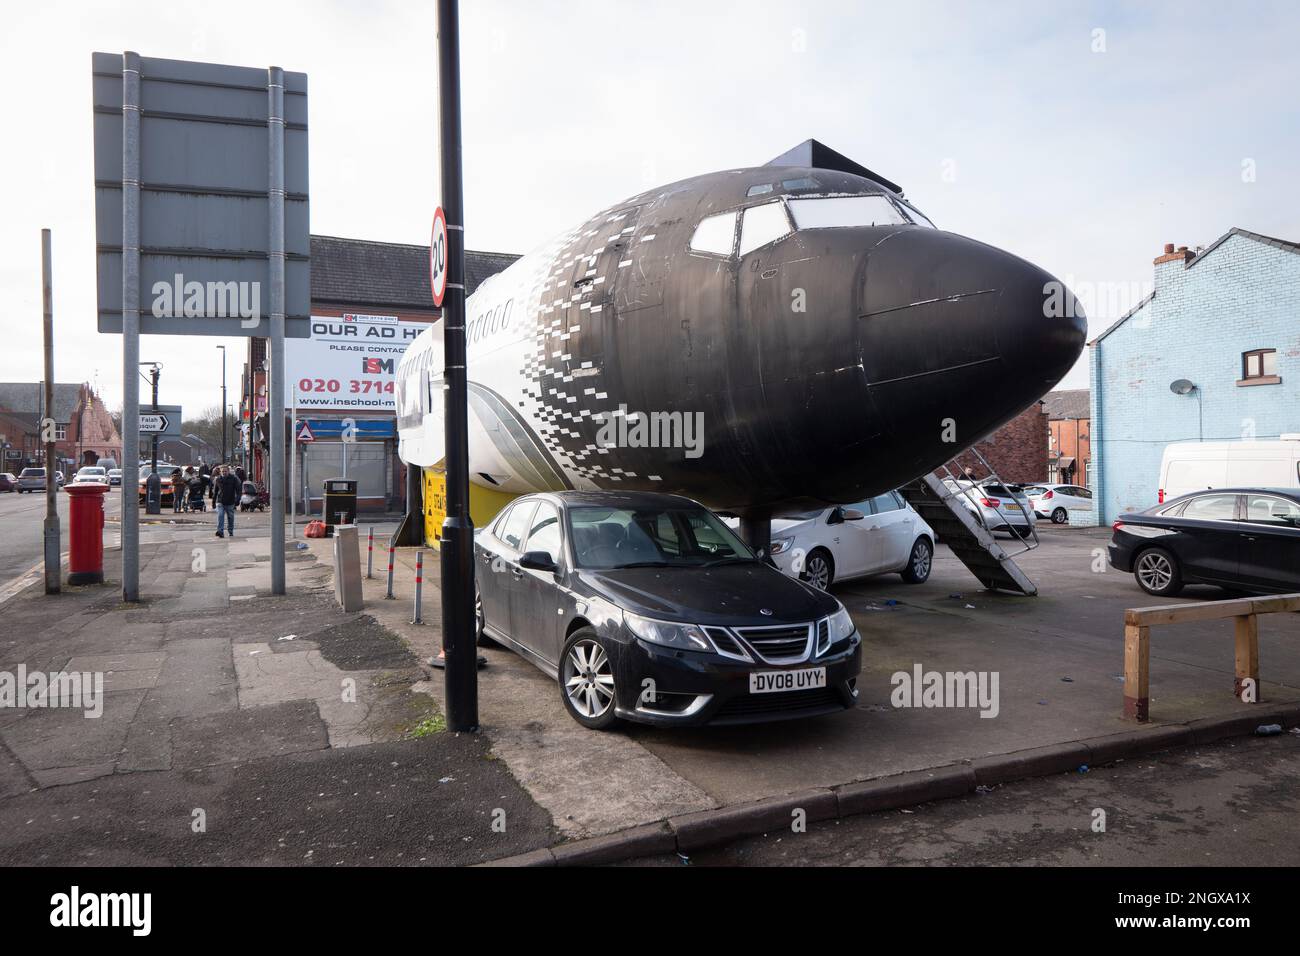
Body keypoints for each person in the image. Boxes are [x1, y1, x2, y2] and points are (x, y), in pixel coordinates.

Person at [214, 466, 241, 538]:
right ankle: (220, 531)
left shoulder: (234, 478)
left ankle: (230, 531)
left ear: (228, 471)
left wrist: (237, 499)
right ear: (220, 472)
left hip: (230, 501)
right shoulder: (218, 479)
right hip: (220, 501)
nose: (224, 473)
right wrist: (213, 502)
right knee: (220, 516)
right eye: (222, 471)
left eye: (225, 471)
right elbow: (215, 491)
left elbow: (238, 490)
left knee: (230, 517)